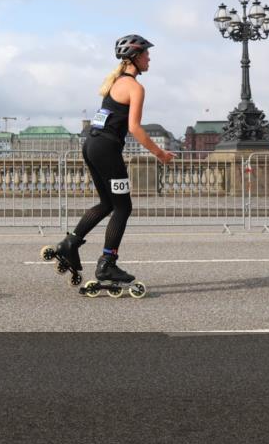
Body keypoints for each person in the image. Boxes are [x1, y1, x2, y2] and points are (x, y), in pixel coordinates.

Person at [45, 34, 175, 286]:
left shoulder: (115, 82)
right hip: (106, 150)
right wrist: (160, 154)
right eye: (147, 54)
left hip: (92, 146)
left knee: (107, 203)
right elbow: (135, 127)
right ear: (135, 57)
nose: (150, 58)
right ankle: (107, 264)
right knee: (123, 207)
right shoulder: (135, 87)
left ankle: (69, 244)